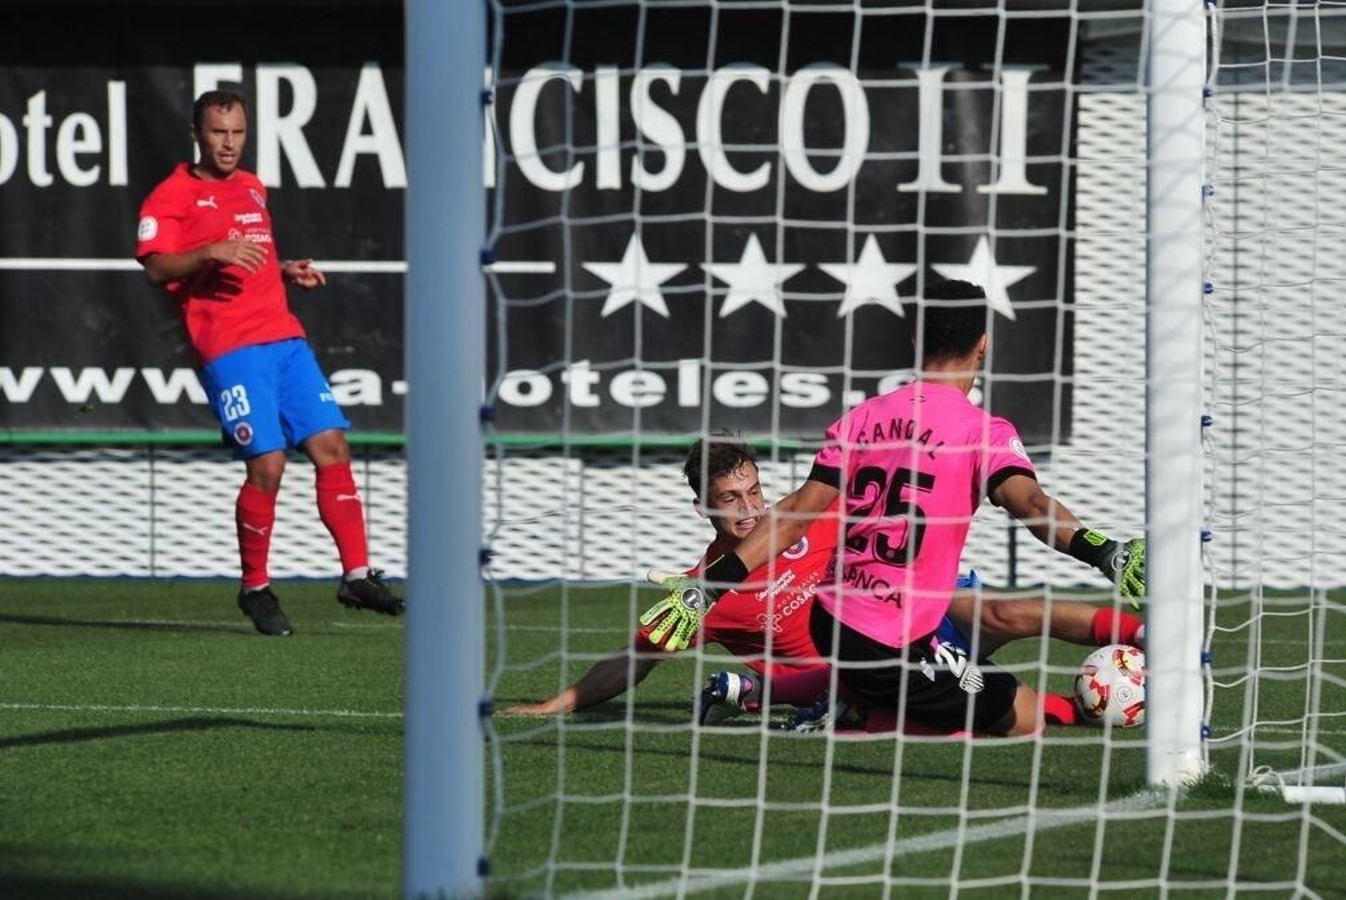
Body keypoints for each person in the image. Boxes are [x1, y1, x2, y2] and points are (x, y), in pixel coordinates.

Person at [642, 279, 1146, 738]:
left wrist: (707, 588)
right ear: (983, 345)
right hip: (888, 639)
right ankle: (857, 720)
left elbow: (797, 510)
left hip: (832, 619)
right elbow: (1031, 505)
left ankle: (842, 702)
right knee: (1023, 717)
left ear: (913, 342)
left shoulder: (863, 417)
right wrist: (1103, 552)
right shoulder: (982, 432)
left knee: (996, 623)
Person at [503, 433, 1143, 730]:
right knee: (991, 699)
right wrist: (555, 705)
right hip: (864, 674)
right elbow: (632, 661)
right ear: (703, 507)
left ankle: (1154, 634)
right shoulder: (705, 592)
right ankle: (1081, 713)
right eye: (732, 498)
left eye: (755, 489)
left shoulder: (809, 514)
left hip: (908, 621)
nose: (752, 509)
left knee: (1004, 612)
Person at [134, 89, 403, 636]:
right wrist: (211, 250)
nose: (228, 143)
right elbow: (158, 270)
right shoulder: (171, 196)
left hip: (284, 337)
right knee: (270, 465)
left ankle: (356, 574)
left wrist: (282, 270)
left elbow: (246, 260)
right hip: (230, 348)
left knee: (332, 445)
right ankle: (255, 587)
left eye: (237, 132)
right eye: (217, 132)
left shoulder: (253, 187)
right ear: (196, 133)